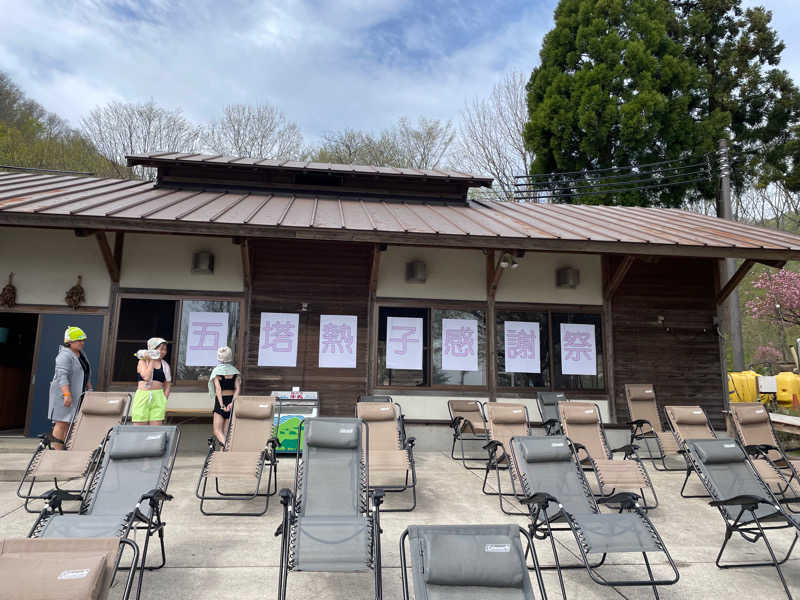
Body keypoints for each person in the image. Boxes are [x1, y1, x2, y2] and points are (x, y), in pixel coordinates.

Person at [48, 326, 92, 449]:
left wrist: (90, 389)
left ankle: (64, 448)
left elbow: (85, 372)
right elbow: (62, 376)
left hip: (78, 394)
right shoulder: (64, 355)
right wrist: (66, 394)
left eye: (83, 340)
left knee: (70, 423)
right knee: (61, 422)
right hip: (64, 394)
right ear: (70, 341)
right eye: (79, 340)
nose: (82, 343)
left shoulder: (80, 354)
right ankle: (56, 451)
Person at [132, 337, 171, 426]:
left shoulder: (165, 365)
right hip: (143, 396)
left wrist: (164, 399)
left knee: (155, 430)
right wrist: (152, 360)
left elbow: (168, 384)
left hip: (158, 397)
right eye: (161, 349)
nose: (163, 352)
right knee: (139, 427)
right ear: (152, 349)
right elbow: (146, 377)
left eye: (165, 350)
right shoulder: (142, 361)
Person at [208, 346, 241, 445]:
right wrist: (232, 403)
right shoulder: (235, 372)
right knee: (226, 433)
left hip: (220, 400)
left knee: (217, 431)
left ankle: (226, 447)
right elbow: (237, 388)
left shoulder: (216, 372)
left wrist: (222, 405)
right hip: (231, 400)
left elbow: (218, 389)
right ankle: (225, 453)